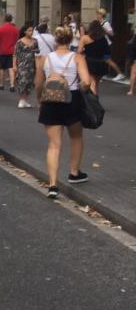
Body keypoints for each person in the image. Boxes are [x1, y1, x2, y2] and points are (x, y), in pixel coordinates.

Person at [35, 26, 93, 199]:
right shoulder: (77, 58)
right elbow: (86, 82)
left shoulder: (45, 58)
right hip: (71, 101)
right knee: (76, 137)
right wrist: (80, 87)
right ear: (70, 40)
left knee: (54, 144)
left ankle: (53, 184)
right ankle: (74, 173)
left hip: (50, 101)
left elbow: (39, 84)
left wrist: (39, 100)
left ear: (56, 39)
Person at [78, 20, 110, 95]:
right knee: (96, 83)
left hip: (89, 62)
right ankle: (95, 97)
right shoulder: (103, 39)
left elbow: (79, 51)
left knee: (92, 82)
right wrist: (106, 61)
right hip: (101, 63)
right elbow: (107, 51)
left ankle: (93, 100)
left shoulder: (85, 38)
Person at [96, 8, 126, 81]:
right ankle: (100, 75)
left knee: (107, 60)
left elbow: (112, 33)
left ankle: (120, 74)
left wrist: (104, 31)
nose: (97, 15)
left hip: (107, 45)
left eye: (98, 14)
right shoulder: (100, 23)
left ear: (101, 15)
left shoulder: (105, 23)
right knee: (101, 59)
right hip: (102, 44)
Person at [13, 24, 38, 109]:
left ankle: (25, 99)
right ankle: (21, 99)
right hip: (22, 64)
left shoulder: (35, 41)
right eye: (29, 30)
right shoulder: (19, 42)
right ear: (25, 31)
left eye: (32, 30)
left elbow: (37, 51)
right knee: (22, 81)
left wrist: (36, 51)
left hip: (32, 64)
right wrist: (14, 65)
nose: (31, 32)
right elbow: (15, 54)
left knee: (30, 82)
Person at [0, 14, 20, 91]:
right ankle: (12, 85)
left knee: (2, 68)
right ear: (11, 19)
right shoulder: (15, 29)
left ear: (4, 19)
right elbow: (17, 40)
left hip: (2, 51)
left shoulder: (0, 28)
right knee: (11, 68)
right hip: (12, 50)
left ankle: (1, 84)